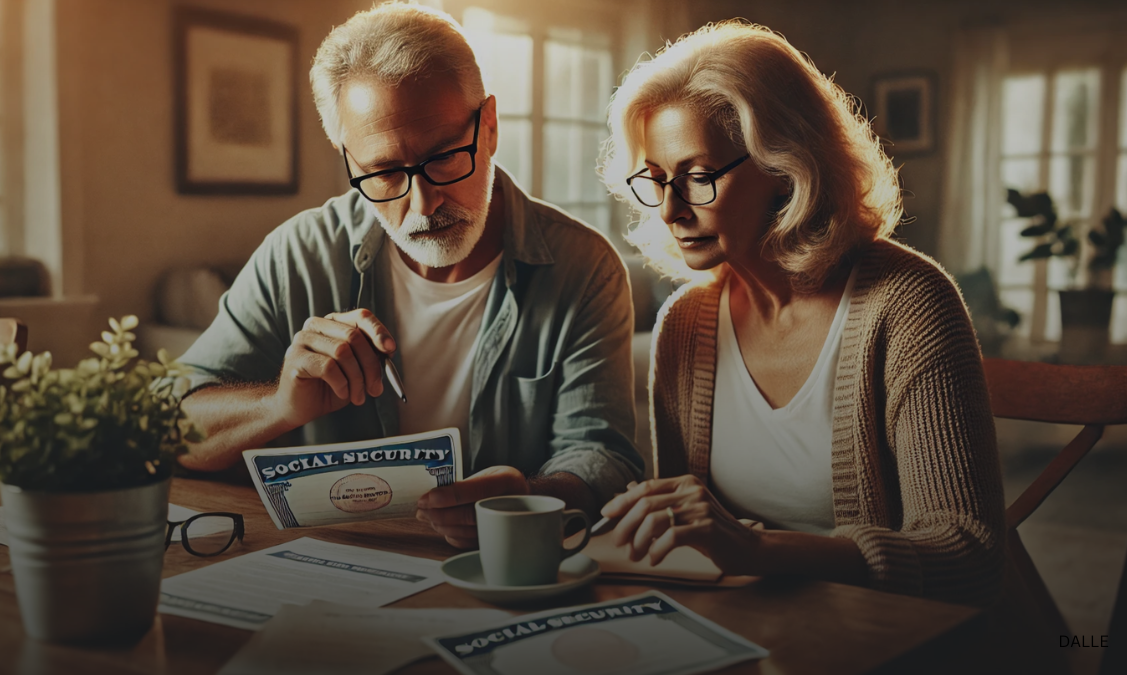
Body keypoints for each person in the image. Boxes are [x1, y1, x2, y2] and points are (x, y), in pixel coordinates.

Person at [177, 3, 642, 548]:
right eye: (383, 172)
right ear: (348, 159)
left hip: (503, 575)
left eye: (445, 157)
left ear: (489, 127)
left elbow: (604, 456)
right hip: (334, 571)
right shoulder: (294, 256)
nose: (422, 204)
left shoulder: (584, 267)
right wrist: (278, 405)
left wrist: (535, 496)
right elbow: (169, 429)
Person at [596, 21, 1005, 606]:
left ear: (786, 165)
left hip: (902, 637)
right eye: (656, 179)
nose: (670, 210)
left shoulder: (910, 305)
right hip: (758, 631)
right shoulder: (683, 326)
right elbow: (687, 543)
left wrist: (761, 550)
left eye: (698, 176)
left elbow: (971, 556)